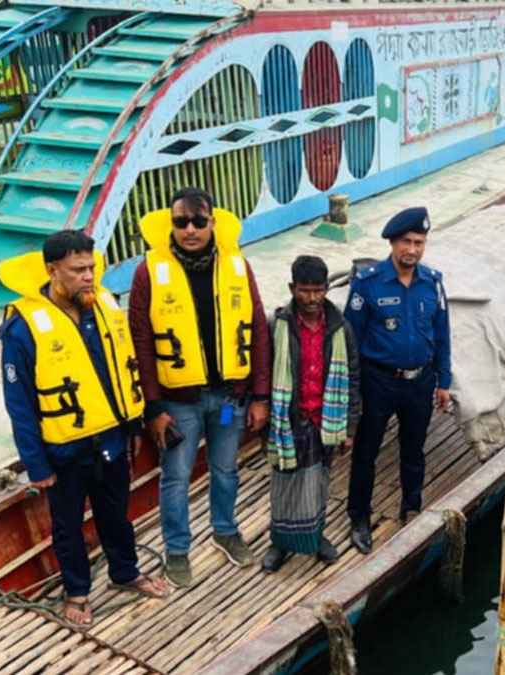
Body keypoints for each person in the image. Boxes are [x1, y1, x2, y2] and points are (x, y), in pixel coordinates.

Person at [0, 231, 168, 628]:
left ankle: (125, 572)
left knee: (116, 513)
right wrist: (36, 464)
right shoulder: (22, 329)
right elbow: (19, 403)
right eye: (78, 270)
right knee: (68, 525)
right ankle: (77, 591)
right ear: (52, 271)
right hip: (65, 448)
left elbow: (120, 371)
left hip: (111, 439)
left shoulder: (104, 305)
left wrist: (135, 425)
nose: (89, 276)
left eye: (91, 268)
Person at [129, 187, 271, 587]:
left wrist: (260, 395)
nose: (190, 229)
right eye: (181, 222)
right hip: (179, 402)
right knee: (176, 477)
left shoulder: (238, 266)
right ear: (171, 225)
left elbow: (258, 329)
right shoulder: (148, 272)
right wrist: (153, 407)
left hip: (229, 398)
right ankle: (177, 550)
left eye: (198, 221)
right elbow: (141, 342)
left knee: (225, 469)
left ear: (212, 222)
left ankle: (225, 531)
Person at [345, 206, 452, 554]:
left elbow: (442, 334)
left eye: (419, 242)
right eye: (406, 242)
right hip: (378, 381)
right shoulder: (368, 283)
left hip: (420, 381)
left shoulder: (432, 283)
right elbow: (350, 340)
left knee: (413, 449)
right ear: (392, 243)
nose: (412, 249)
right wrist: (353, 391)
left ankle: (412, 506)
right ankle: (359, 518)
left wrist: (444, 381)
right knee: (366, 451)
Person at [262, 256, 361, 573]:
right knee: (284, 482)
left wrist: (349, 427)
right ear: (292, 288)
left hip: (325, 419)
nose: (312, 298)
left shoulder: (340, 328)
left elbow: (353, 377)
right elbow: (264, 371)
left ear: (327, 289)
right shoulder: (277, 325)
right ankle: (280, 542)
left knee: (319, 481)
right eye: (305, 290)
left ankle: (316, 537)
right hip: (289, 419)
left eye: (318, 290)